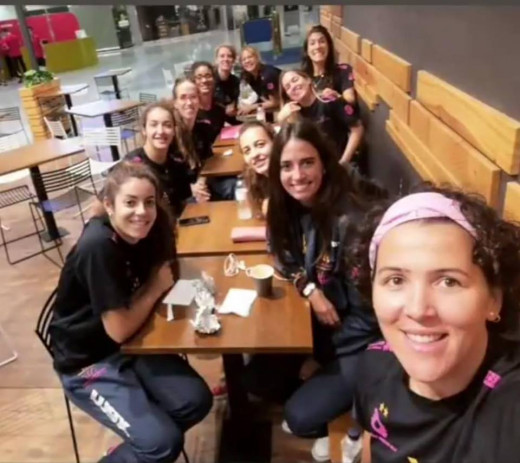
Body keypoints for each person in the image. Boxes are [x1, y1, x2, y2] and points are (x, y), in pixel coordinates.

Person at [49, 161, 213, 463]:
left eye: (149, 202)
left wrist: (161, 223)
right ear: (109, 205)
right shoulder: (98, 247)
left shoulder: (144, 229)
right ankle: (147, 445)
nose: (142, 212)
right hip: (89, 362)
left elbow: (168, 265)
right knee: (162, 444)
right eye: (130, 202)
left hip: (130, 344)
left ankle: (140, 443)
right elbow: (119, 328)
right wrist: (153, 288)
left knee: (196, 401)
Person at [245, 119, 385, 462]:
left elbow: (369, 319)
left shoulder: (351, 220)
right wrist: (308, 288)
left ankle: (352, 413)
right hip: (323, 324)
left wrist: (320, 358)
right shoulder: (288, 204)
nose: (297, 175)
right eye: (287, 166)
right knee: (255, 378)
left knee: (300, 418)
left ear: (324, 161)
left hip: (363, 342)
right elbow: (280, 253)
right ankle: (334, 395)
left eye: (307, 163)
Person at [348, 185, 520, 463]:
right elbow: (375, 441)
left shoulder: (510, 414)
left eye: (448, 281)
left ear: (493, 301)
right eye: (395, 280)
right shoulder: (374, 365)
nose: (418, 309)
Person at [278, 70, 364, 168]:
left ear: (308, 80)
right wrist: (281, 119)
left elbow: (357, 129)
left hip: (341, 164)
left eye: (295, 80)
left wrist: (343, 162)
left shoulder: (329, 100)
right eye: (288, 87)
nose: (293, 86)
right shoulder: (293, 115)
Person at [124, 100, 192, 217]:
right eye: (154, 125)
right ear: (144, 130)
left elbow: (184, 203)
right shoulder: (132, 166)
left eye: (167, 125)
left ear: (174, 131)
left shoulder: (177, 164)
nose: (160, 131)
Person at [172, 77, 236, 201]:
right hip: (181, 192)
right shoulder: (170, 133)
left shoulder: (203, 129)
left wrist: (201, 183)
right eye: (183, 97)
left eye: (193, 97)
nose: (189, 102)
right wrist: (192, 189)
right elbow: (166, 178)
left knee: (235, 185)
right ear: (175, 103)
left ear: (198, 100)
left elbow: (207, 162)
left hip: (203, 184)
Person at [302, 25, 356, 104]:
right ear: (307, 51)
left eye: (322, 41)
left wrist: (337, 96)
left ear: (329, 46)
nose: (317, 46)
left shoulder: (342, 70)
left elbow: (351, 100)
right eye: (312, 43)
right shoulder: (303, 78)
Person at [238, 120, 275, 218]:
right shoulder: (255, 179)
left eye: (260, 145)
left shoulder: (292, 178)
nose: (254, 154)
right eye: (247, 151)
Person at [238, 46, 281, 122]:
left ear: (257, 58)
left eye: (250, 57)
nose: (247, 61)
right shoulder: (248, 76)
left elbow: (275, 102)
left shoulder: (268, 74)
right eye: (243, 59)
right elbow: (246, 95)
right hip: (269, 110)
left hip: (283, 107)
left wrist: (251, 107)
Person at [191, 61, 226, 143]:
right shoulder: (191, 110)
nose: (204, 80)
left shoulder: (220, 108)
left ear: (214, 79)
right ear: (194, 81)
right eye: (199, 77)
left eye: (208, 76)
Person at [214, 44, 240, 125]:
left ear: (234, 60)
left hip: (230, 123)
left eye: (229, 56)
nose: (226, 59)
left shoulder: (235, 81)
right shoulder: (210, 80)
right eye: (222, 56)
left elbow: (233, 106)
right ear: (216, 60)